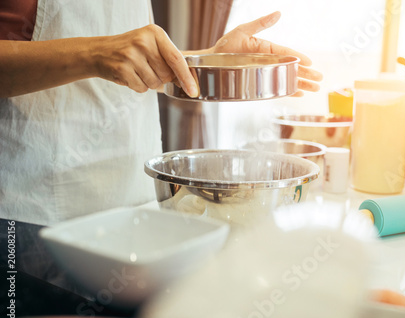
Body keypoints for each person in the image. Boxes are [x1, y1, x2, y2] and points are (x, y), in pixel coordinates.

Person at [0, 0, 322, 225]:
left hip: (136, 200)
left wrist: (207, 60)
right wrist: (96, 54)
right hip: (34, 210)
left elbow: (133, 60)